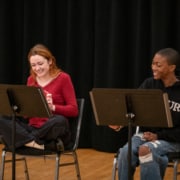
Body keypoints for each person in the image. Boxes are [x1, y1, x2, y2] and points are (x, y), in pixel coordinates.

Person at [110, 48, 180, 180]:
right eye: (153, 63)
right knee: (125, 152)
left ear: (172, 67)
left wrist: (158, 135)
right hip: (146, 136)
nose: (153, 67)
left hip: (173, 140)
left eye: (158, 65)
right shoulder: (149, 84)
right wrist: (120, 122)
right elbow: (133, 108)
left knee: (146, 150)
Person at [0, 43, 78, 152]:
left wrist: (53, 107)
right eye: (33, 65)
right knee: (3, 117)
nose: (37, 68)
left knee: (60, 121)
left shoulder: (63, 78)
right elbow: (27, 116)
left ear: (50, 61)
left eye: (40, 64)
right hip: (33, 128)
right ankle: (35, 143)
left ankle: (22, 140)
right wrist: (23, 107)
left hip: (52, 130)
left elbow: (74, 110)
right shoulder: (31, 80)